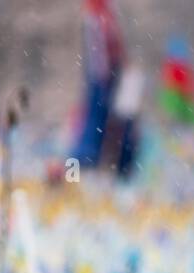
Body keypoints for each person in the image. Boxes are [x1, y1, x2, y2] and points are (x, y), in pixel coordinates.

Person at [71, 0, 125, 169]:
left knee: (102, 116)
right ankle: (87, 158)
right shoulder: (95, 18)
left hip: (106, 74)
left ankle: (93, 157)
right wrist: (103, 74)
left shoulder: (103, 15)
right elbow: (98, 49)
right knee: (96, 115)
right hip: (101, 75)